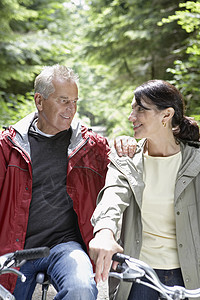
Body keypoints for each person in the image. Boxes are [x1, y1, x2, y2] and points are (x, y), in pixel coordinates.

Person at [0, 64, 136, 300]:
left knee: (81, 290)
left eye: (75, 101)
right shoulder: (7, 147)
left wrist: (125, 142)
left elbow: (121, 169)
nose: (71, 109)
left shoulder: (89, 146)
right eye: (63, 101)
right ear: (39, 101)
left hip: (66, 246)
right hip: (15, 249)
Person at [89, 79, 200, 300]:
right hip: (138, 272)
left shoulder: (195, 160)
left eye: (140, 109)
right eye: (132, 109)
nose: (131, 117)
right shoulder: (127, 159)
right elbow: (112, 197)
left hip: (189, 274)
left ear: (166, 115)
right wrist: (104, 232)